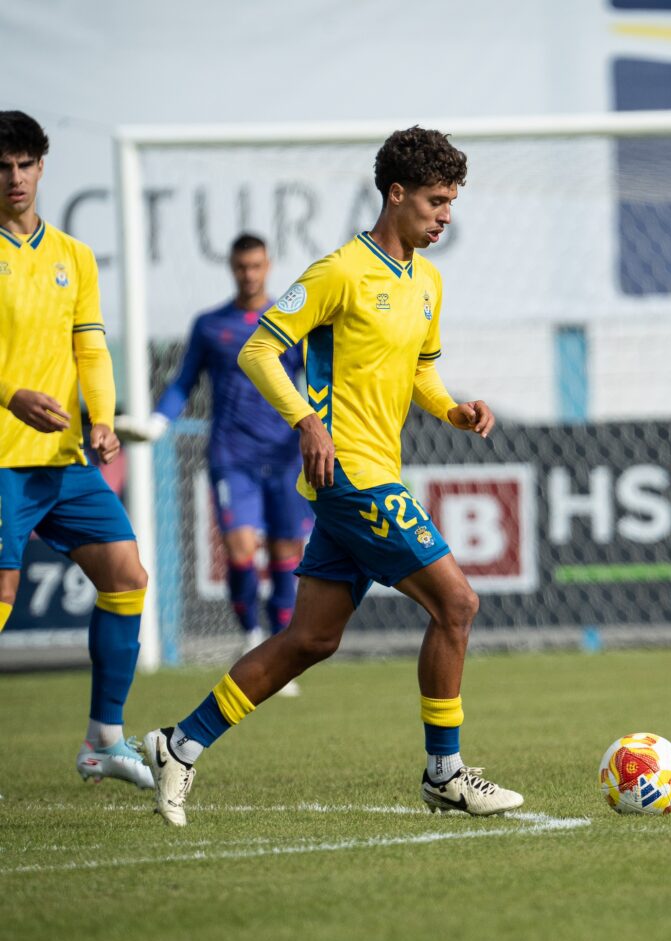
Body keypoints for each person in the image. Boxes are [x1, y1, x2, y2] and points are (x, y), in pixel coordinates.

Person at [141, 126, 523, 826]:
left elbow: (419, 371)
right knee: (457, 606)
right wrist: (305, 422)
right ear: (396, 193)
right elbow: (260, 350)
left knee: (311, 639)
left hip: (378, 470)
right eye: (436, 201)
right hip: (349, 474)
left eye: (451, 204)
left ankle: (179, 743)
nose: (445, 216)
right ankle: (444, 774)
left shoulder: (427, 280)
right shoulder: (339, 271)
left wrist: (453, 409)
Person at [0, 111, 151, 789]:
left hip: (64, 461)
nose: (13, 179)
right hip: (3, 455)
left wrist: (101, 416)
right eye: (2, 167)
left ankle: (103, 742)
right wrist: (12, 396)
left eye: (24, 165)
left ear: (41, 167)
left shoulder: (73, 255)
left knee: (126, 576)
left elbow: (89, 345)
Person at [116, 234, 309, 696]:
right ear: (231, 267)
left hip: (284, 456)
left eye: (256, 266)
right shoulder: (210, 325)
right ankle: (251, 638)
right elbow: (183, 382)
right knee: (241, 552)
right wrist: (160, 422)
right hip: (231, 455)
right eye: (241, 266)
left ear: (269, 265)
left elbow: (317, 377)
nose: (249, 274)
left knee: (286, 556)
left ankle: (280, 652)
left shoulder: (290, 321)